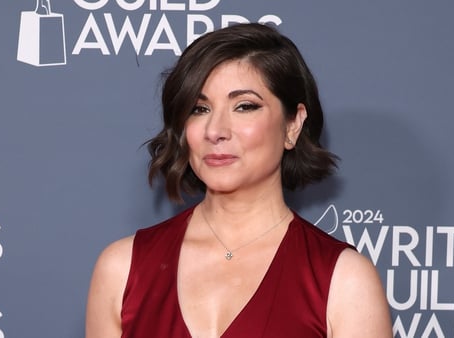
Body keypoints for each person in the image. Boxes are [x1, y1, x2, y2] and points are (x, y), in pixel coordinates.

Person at [85, 23, 392, 338]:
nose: (215, 130)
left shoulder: (343, 280)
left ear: (293, 125)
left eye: (244, 106)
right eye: (199, 109)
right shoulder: (122, 269)